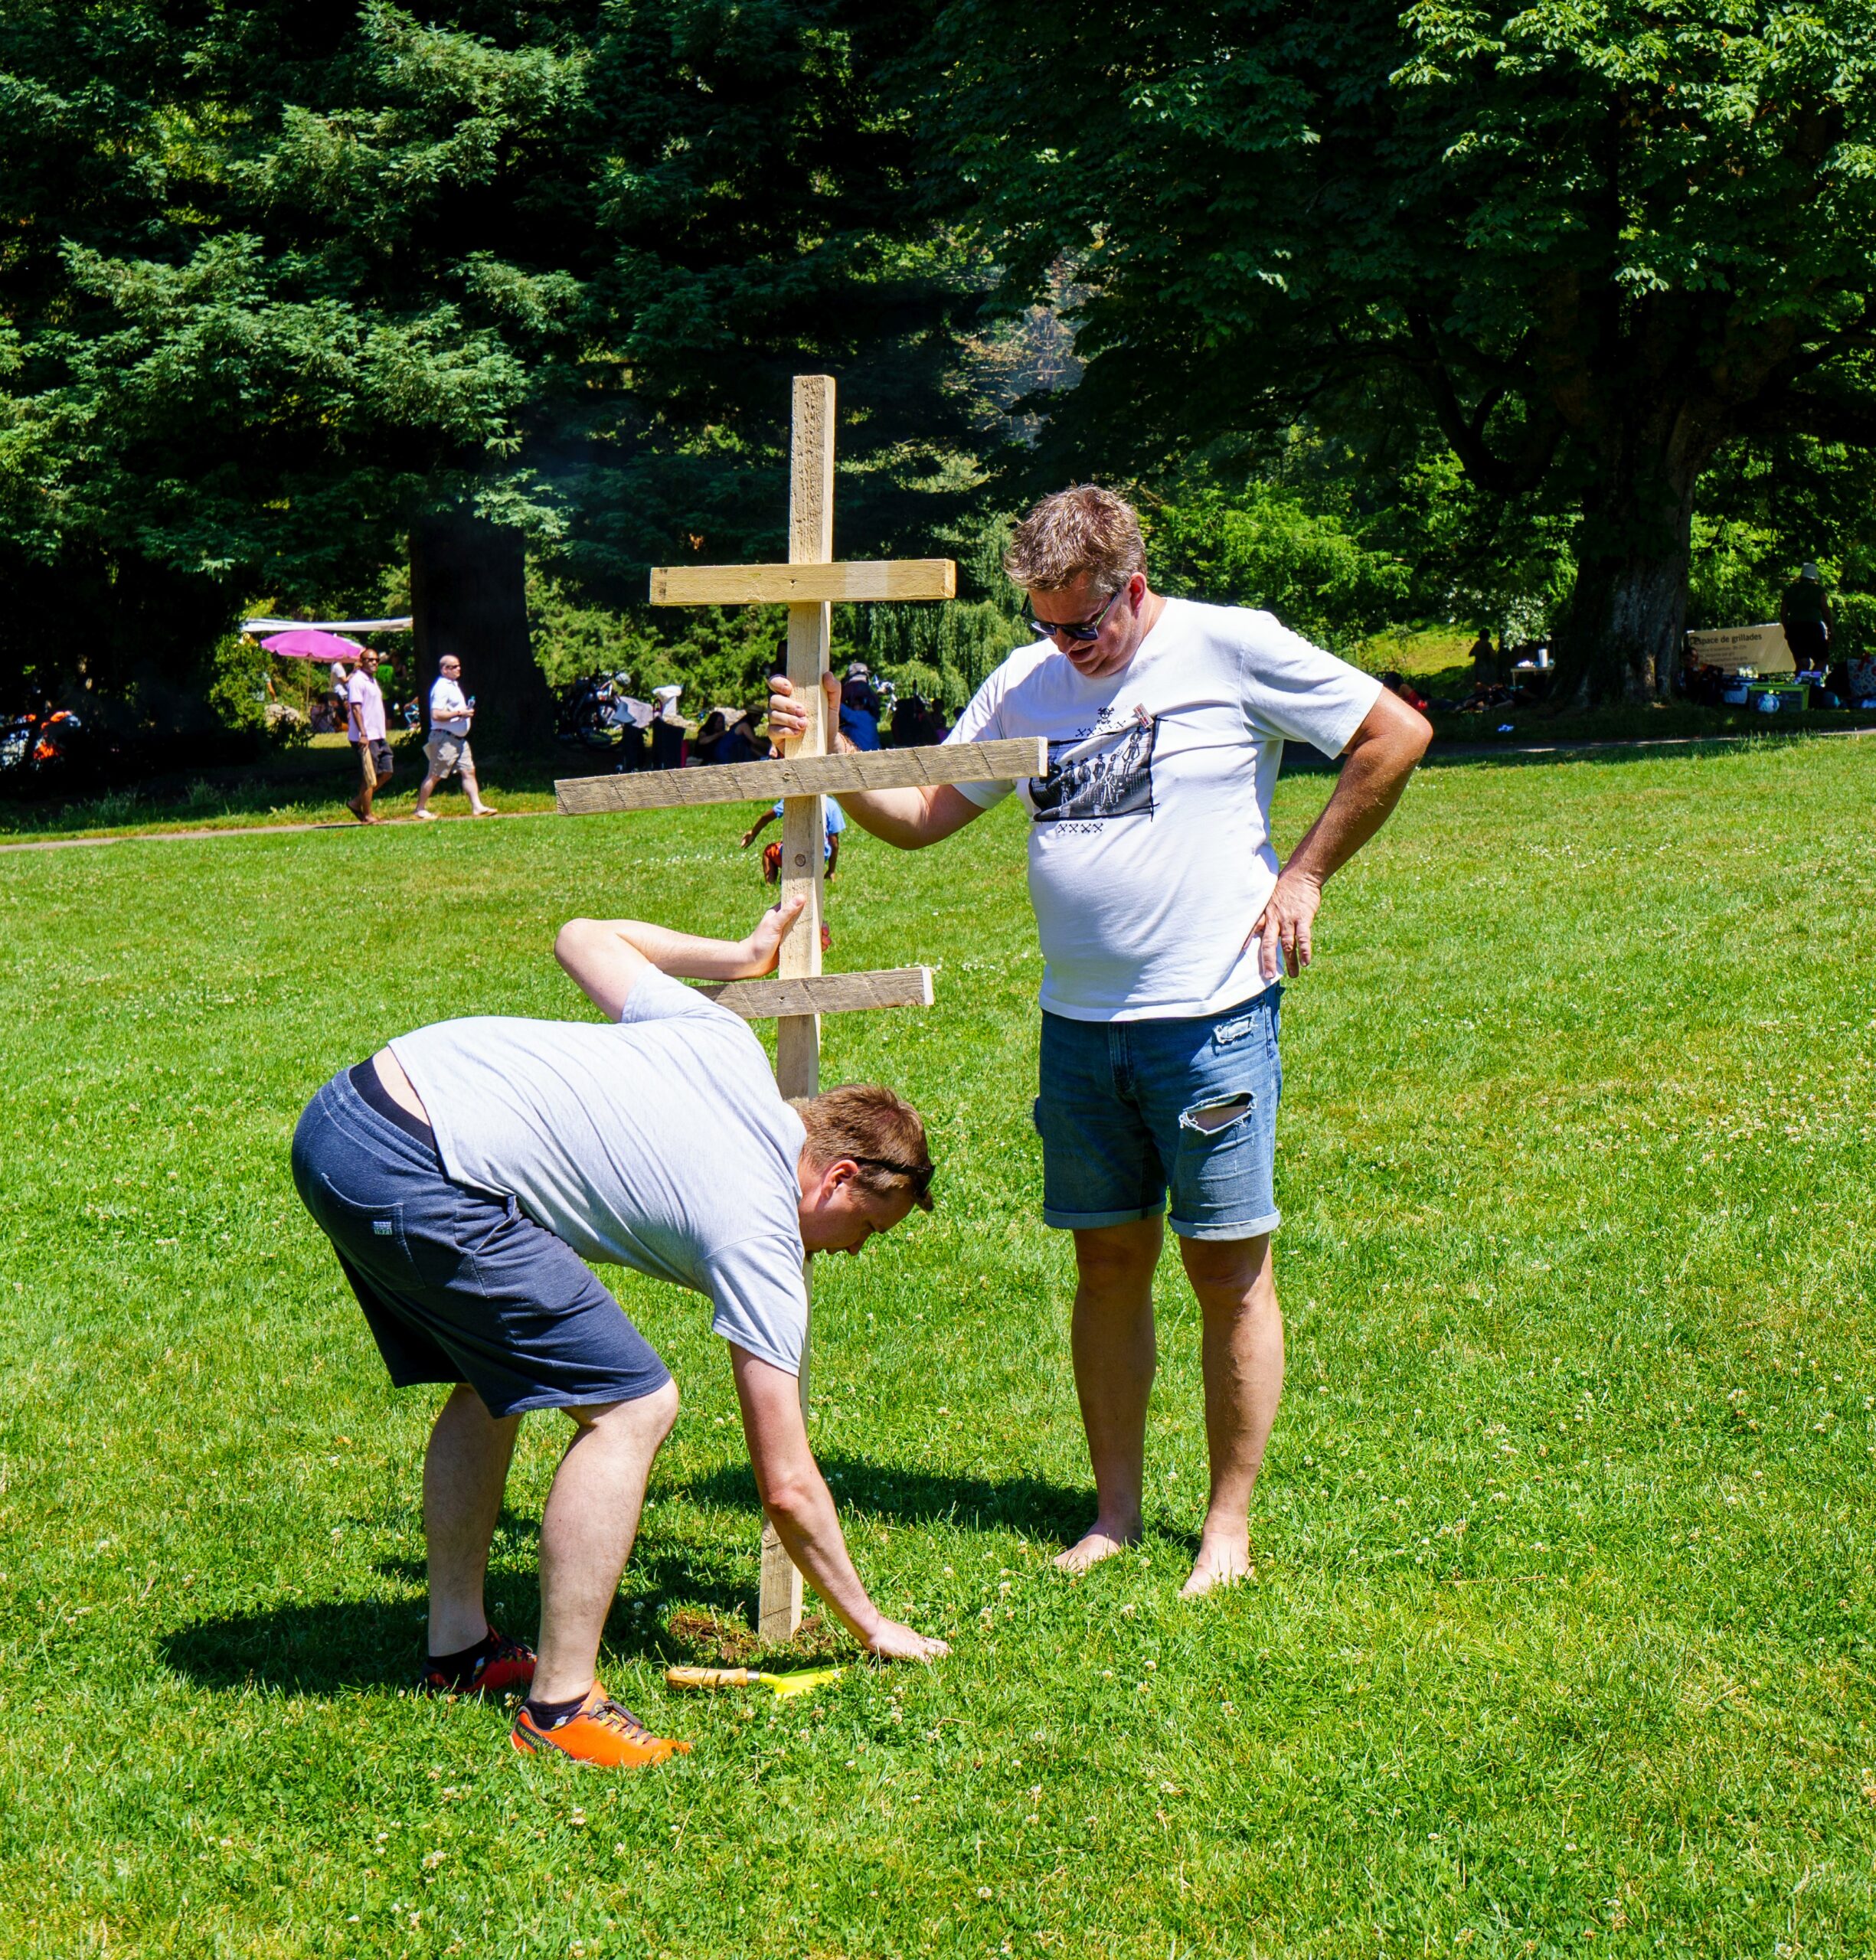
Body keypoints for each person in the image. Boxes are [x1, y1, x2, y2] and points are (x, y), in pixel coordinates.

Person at [770, 483, 1430, 1598]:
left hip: (1209, 1016)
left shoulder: (1229, 645)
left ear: (1133, 586)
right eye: (1045, 623)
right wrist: (835, 751)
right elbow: (926, 819)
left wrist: (1304, 875)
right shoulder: (1027, 680)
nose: (1065, 647)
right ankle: (1114, 1515)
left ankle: (1225, 1526)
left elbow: (1394, 734)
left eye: (1082, 624)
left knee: (1226, 1268)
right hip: (1077, 1028)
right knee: (1107, 1263)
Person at [289, 897, 947, 1769]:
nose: (854, 1251)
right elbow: (786, 1483)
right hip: (415, 1166)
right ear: (838, 1177)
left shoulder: (726, 1044)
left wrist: (740, 955)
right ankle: (562, 1706)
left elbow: (580, 938)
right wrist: (871, 1624)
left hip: (346, 1115)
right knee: (634, 1405)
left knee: (494, 1380)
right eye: (866, 1228)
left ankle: (459, 1651)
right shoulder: (759, 1230)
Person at [414, 655, 497, 819]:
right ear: (445, 669)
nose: (459, 669)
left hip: (459, 740)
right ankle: (420, 809)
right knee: (435, 775)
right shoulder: (441, 688)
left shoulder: (453, 685)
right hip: (444, 739)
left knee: (469, 771)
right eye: (454, 667)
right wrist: (460, 713)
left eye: (459, 666)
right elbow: (436, 714)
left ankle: (477, 807)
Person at [344, 647, 394, 823]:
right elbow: (356, 709)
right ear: (361, 661)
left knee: (387, 771)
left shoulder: (372, 680)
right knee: (369, 776)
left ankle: (357, 802)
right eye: (369, 660)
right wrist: (363, 734)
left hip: (378, 735)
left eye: (376, 660)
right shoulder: (357, 681)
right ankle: (367, 815)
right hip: (366, 737)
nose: (374, 663)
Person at [1780, 564, 1832, 678]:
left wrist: (1787, 629)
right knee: (1822, 659)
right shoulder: (1818, 590)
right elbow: (1826, 611)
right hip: (1813, 628)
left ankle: (1800, 684)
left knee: (1802, 663)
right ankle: (1813, 681)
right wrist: (1831, 628)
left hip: (1795, 629)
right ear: (1814, 578)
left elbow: (1783, 613)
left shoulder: (1791, 590)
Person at [839, 676, 883, 751]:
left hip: (865, 753)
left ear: (863, 705)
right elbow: (846, 730)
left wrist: (835, 697)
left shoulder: (862, 716)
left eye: (857, 703)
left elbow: (843, 710)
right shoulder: (869, 718)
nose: (855, 706)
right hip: (874, 751)